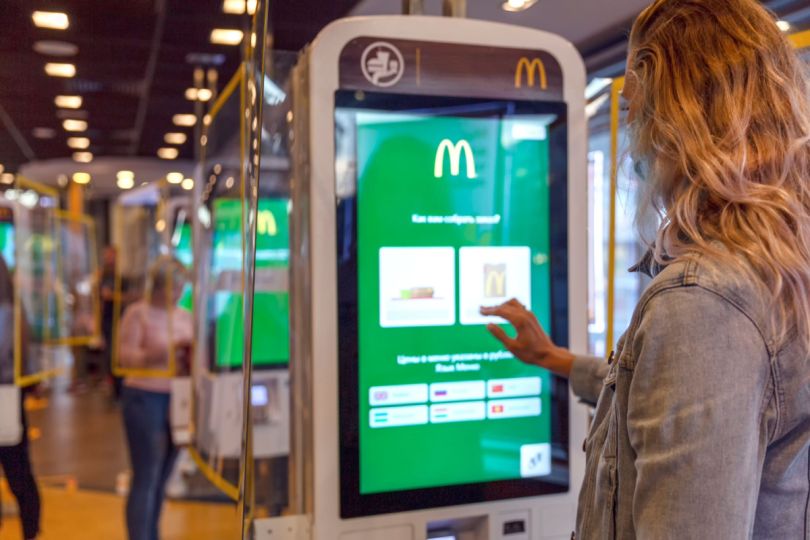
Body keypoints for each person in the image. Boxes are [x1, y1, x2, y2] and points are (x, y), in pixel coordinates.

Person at [482, 1, 809, 538]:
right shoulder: (776, 266)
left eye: (634, 108)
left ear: (677, 121)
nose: (630, 141)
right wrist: (555, 359)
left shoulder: (703, 302)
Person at [118, 257, 193, 540]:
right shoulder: (138, 314)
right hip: (144, 397)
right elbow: (125, 357)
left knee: (162, 477)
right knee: (146, 475)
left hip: (178, 400)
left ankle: (152, 533)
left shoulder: (184, 316)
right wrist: (160, 354)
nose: (179, 291)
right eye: (175, 286)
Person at [0, 256, 41, 540]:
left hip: (5, 397)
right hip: (8, 397)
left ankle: (30, 529)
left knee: (17, 470)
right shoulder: (15, 308)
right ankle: (30, 529)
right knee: (18, 470)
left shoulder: (10, 311)